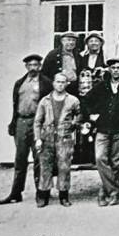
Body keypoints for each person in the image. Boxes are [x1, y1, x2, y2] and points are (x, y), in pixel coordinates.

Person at [84, 58, 119, 207]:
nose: (116, 70)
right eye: (113, 68)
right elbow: (85, 100)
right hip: (103, 128)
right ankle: (113, 191)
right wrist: (91, 115)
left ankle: (104, 192)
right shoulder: (101, 86)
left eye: (118, 68)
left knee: (116, 162)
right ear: (109, 70)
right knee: (100, 158)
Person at [0, 54, 52, 205]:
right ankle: (16, 193)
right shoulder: (19, 83)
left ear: (40, 66)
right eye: (30, 65)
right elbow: (16, 105)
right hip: (21, 122)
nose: (33, 68)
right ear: (26, 67)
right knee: (20, 159)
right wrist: (13, 123)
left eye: (36, 65)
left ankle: (41, 193)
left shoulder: (46, 83)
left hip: (38, 124)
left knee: (39, 159)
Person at [33, 73, 81, 208]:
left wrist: (74, 123)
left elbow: (79, 115)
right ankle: (43, 196)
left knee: (64, 167)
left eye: (63, 82)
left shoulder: (73, 100)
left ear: (67, 84)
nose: (60, 84)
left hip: (64, 138)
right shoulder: (45, 101)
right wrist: (37, 139)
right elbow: (37, 121)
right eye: (58, 82)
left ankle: (64, 196)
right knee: (45, 167)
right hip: (46, 137)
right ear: (53, 83)